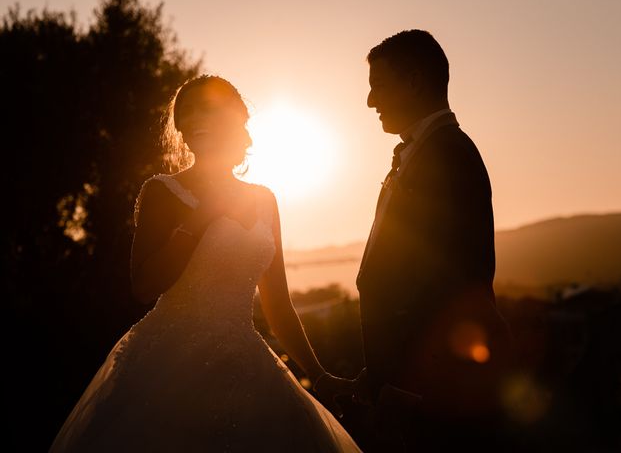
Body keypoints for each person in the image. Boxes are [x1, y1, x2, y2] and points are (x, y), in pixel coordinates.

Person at [49, 75, 362, 452]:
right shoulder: (162, 191)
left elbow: (278, 303)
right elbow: (144, 286)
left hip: (244, 358)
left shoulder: (264, 199)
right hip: (168, 364)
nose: (194, 119)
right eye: (186, 112)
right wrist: (200, 219)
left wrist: (318, 374)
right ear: (180, 129)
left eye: (206, 109)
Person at [352, 30, 515, 451]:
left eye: (378, 86)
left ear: (415, 81)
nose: (370, 102)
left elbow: (455, 284)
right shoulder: (426, 153)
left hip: (430, 394)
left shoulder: (449, 157)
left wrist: (411, 385)